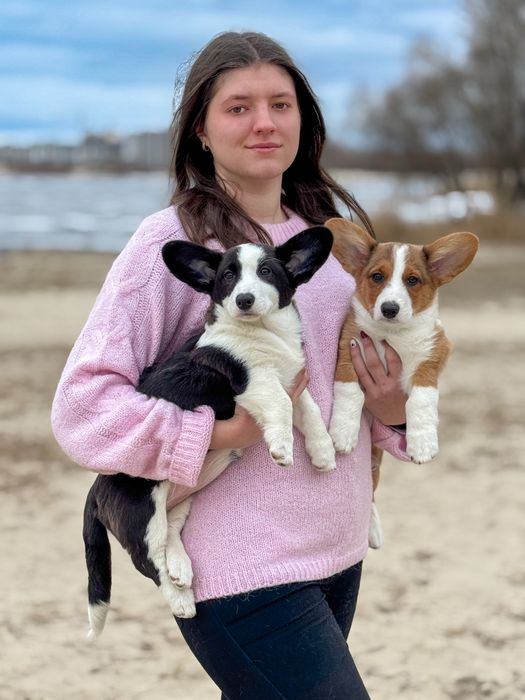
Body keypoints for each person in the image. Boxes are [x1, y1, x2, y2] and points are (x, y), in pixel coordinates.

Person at [52, 31, 409, 699]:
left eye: (280, 104)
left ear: (305, 120)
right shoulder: (171, 241)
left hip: (336, 546)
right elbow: (83, 406)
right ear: (201, 129)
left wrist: (395, 413)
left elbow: (358, 382)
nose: (264, 123)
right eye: (238, 107)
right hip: (241, 562)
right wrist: (222, 433)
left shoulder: (331, 241)